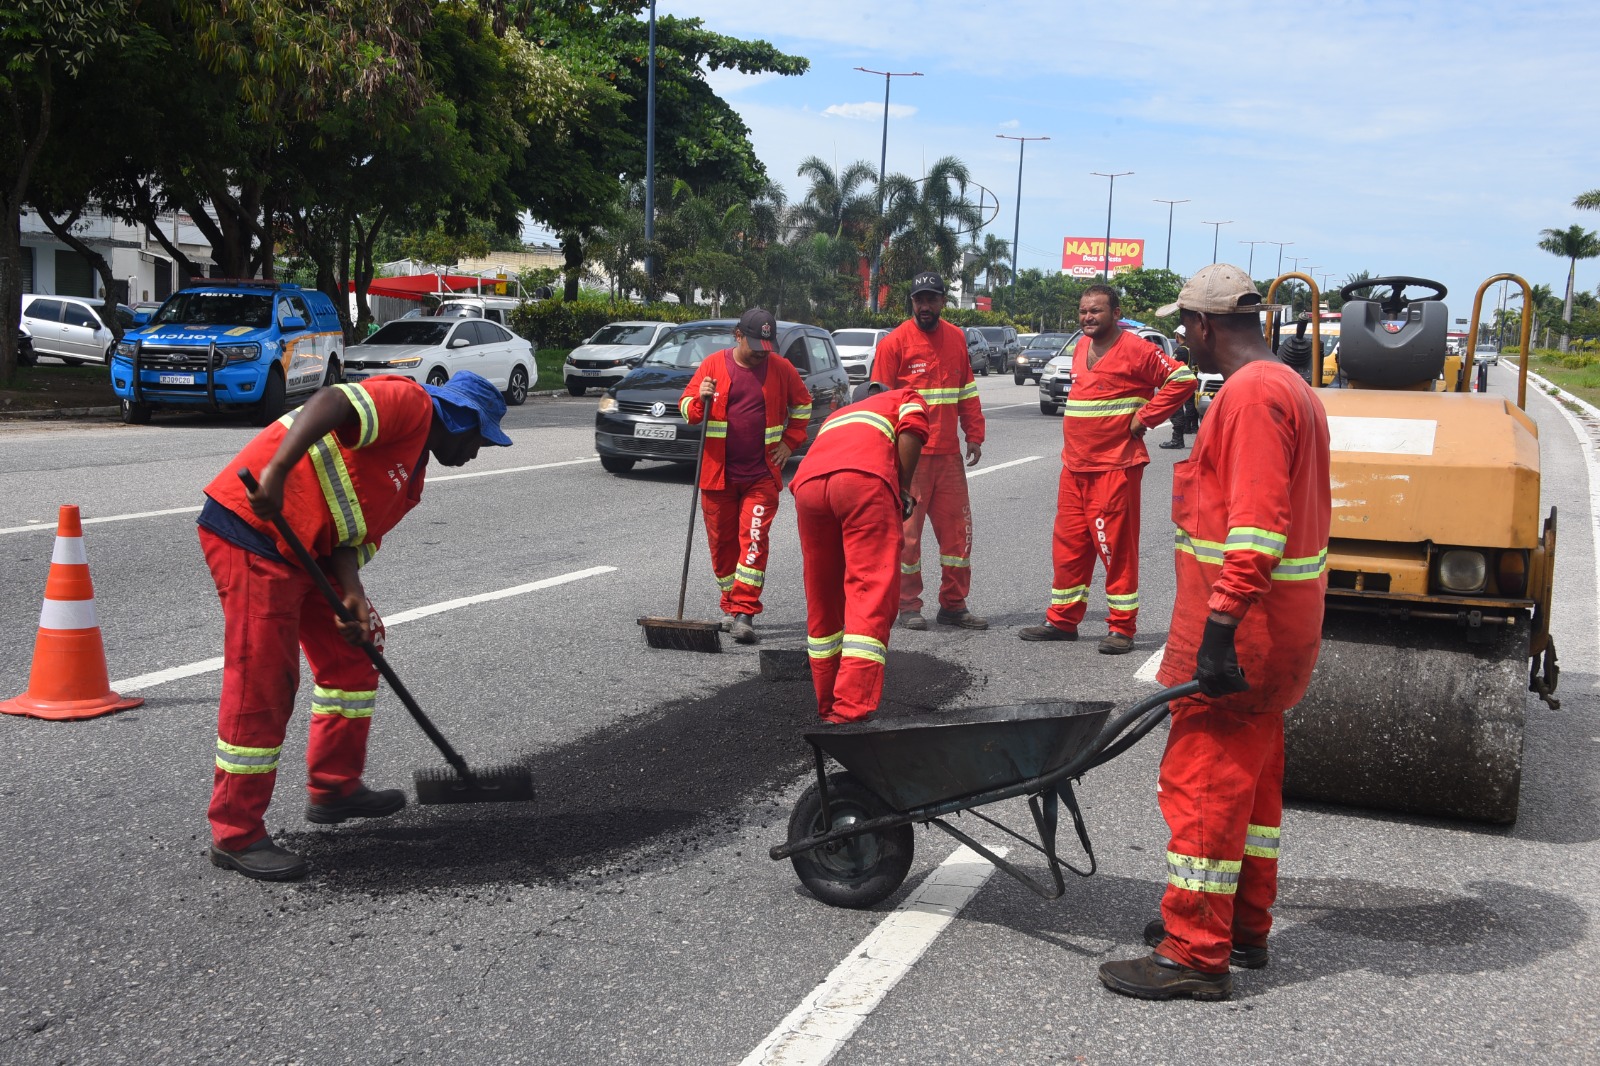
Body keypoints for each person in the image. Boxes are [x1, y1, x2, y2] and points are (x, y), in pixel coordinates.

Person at [1098, 263, 1331, 1001]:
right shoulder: (1290, 385)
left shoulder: (1252, 395)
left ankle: (1195, 951)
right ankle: (1242, 926)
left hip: (1246, 629)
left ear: (1203, 325)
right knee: (1251, 790)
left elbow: (1256, 528)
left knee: (1202, 782)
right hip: (1280, 627)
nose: (1183, 339)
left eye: (1184, 327)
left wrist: (1221, 627)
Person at [198, 371, 512, 881]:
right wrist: (277, 470)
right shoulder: (410, 403)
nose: (477, 453)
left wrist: (351, 594)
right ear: (461, 420)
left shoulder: (410, 480)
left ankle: (334, 787)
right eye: (480, 440)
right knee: (265, 683)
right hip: (256, 533)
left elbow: (351, 533)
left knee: (359, 649)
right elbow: (332, 400)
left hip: (312, 551)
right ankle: (236, 834)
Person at [1018, 284, 1197, 653]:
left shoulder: (1137, 349)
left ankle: (1122, 628)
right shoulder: (1081, 347)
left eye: (1096, 311)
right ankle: (1062, 620)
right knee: (1069, 548)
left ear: (1116, 313)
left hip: (1115, 466)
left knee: (1115, 550)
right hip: (1074, 466)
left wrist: (1146, 418)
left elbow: (1182, 380)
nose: (1088, 317)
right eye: (1083, 311)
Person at [790, 381, 930, 723]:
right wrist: (903, 488)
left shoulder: (839, 416)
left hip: (808, 487)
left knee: (823, 594)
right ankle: (850, 710)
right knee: (869, 590)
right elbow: (913, 428)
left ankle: (827, 702)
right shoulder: (904, 397)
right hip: (862, 483)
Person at [679, 307, 812, 644]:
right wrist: (699, 399)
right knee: (722, 547)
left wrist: (790, 442)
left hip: (760, 476)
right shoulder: (712, 366)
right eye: (754, 346)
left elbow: (803, 406)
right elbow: (687, 410)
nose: (760, 354)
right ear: (737, 336)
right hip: (717, 476)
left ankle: (744, 612)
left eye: (766, 347)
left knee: (753, 540)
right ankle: (730, 603)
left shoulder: (781, 368)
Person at [870, 271, 987, 631]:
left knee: (958, 535)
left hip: (949, 457)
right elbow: (879, 402)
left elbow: (966, 391)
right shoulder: (894, 344)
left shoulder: (956, 338)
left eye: (931, 299)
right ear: (912, 303)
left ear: (942, 302)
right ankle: (908, 605)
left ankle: (953, 605)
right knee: (907, 538)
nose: (925, 306)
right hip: (911, 458)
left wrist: (974, 433)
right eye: (919, 300)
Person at [1160, 326, 1200, 450]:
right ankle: (1191, 428)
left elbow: (1170, 365)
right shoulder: (1192, 348)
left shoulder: (1181, 350)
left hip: (1179, 382)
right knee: (1190, 405)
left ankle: (1177, 439)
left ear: (1178, 335)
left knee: (1176, 409)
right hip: (1191, 380)